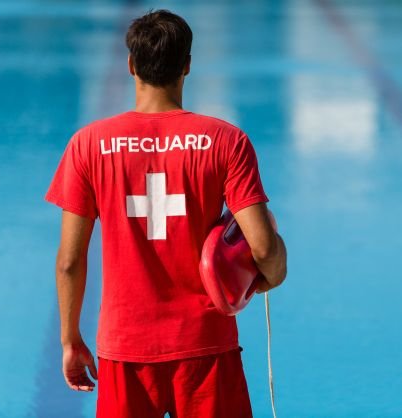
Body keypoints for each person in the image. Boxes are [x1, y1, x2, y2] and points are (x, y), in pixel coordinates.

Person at [44, 8, 287, 418]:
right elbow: (263, 248)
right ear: (187, 65)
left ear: (131, 65)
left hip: (125, 350)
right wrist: (272, 274)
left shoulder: (88, 145)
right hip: (206, 346)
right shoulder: (226, 141)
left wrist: (71, 340)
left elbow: (70, 261)